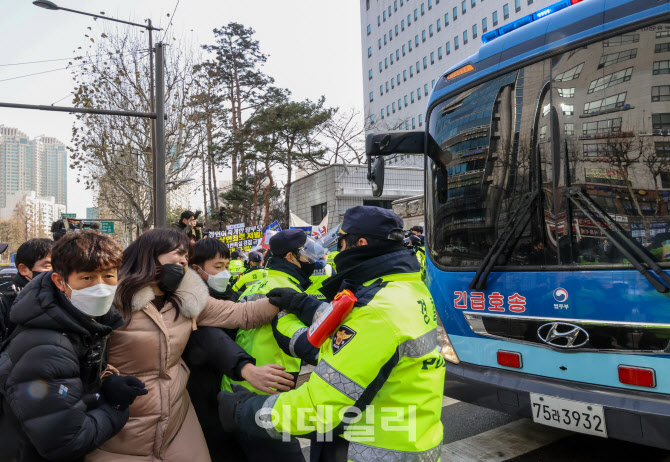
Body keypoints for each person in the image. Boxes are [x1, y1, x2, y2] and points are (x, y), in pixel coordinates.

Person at [218, 206, 445, 462]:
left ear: (359, 243)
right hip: (407, 433)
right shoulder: (409, 287)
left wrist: (244, 411)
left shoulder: (375, 310)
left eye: (342, 244)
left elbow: (319, 406)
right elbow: (354, 332)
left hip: (370, 446)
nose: (338, 252)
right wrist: (305, 305)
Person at [85, 228, 281, 462]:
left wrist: (286, 300)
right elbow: (81, 357)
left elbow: (242, 314)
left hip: (177, 420)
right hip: (121, 422)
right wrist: (109, 379)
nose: (184, 261)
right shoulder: (111, 299)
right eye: (178, 253)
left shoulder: (188, 298)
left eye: (186, 256)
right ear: (150, 254)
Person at [0, 231, 147, 461]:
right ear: (60, 281)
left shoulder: (82, 322)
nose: (100, 287)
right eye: (87, 278)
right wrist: (116, 407)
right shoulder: (48, 347)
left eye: (108, 276)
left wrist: (105, 383)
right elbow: (67, 442)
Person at [186, 238, 295, 462]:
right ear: (196, 269)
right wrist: (246, 368)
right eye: (218, 267)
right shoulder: (190, 303)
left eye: (227, 266)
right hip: (202, 394)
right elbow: (210, 338)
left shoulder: (231, 296)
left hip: (231, 390)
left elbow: (247, 315)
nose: (225, 273)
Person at [222, 229, 326, 462]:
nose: (312, 260)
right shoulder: (286, 289)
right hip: (264, 393)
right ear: (290, 257)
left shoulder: (261, 281)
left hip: (243, 386)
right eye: (307, 254)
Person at [0, 238, 53, 342]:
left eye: (59, 266)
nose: (55, 272)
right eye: (48, 266)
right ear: (24, 269)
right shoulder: (5, 299)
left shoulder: (64, 294)